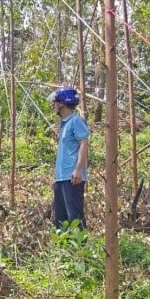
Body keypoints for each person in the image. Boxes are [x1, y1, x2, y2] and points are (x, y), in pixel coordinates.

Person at [49, 88, 89, 229]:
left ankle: (80, 243)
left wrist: (78, 170)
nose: (54, 106)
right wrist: (57, 178)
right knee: (61, 219)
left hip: (72, 177)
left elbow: (84, 144)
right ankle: (64, 243)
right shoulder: (65, 123)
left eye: (55, 103)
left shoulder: (76, 121)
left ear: (61, 104)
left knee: (75, 217)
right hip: (62, 178)